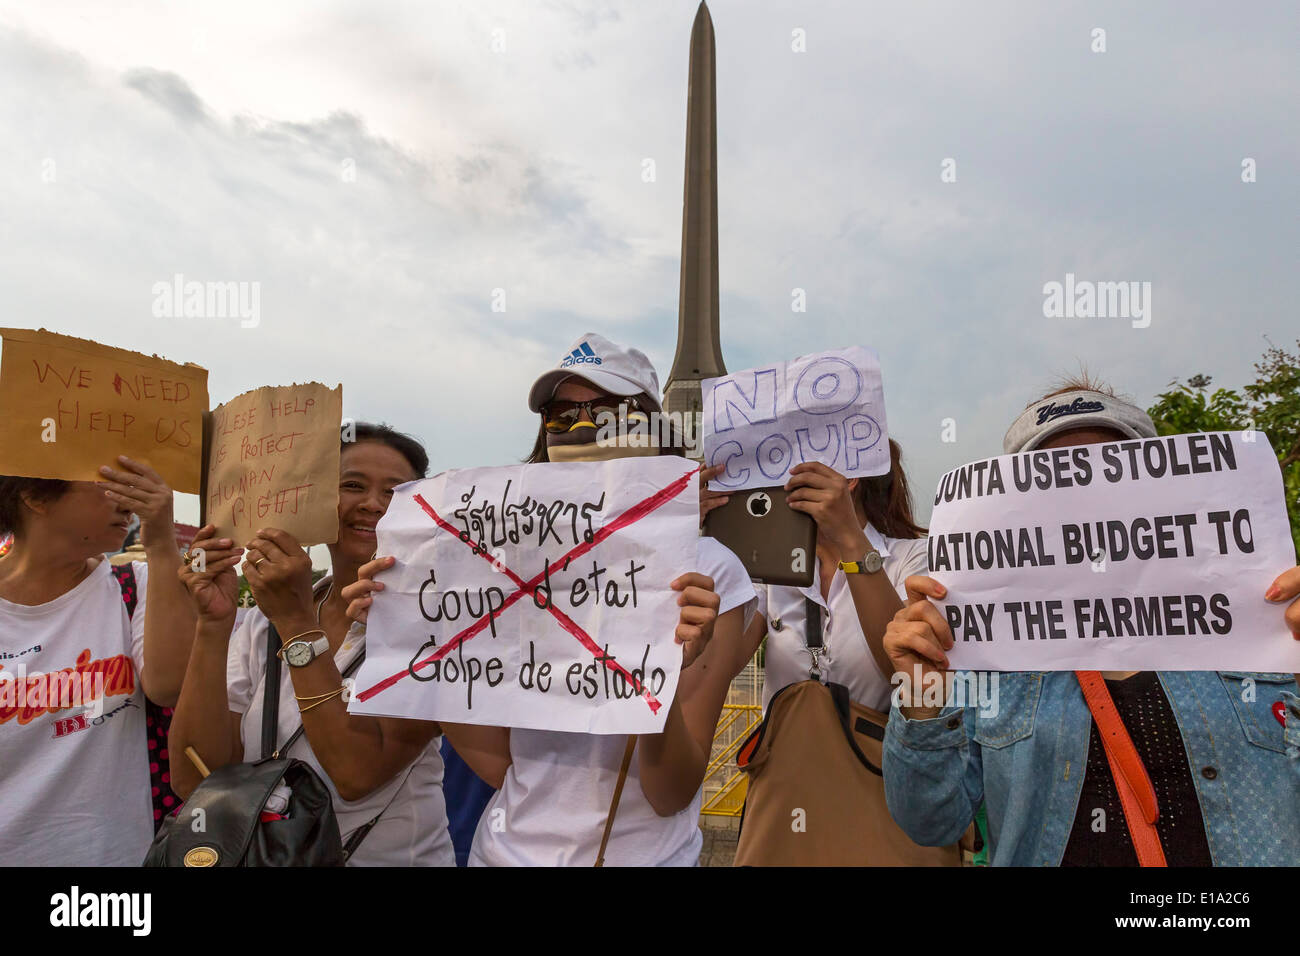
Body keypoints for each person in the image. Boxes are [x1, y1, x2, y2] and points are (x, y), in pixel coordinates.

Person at [345, 333, 758, 866]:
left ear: (652, 426)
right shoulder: (499, 564)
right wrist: (415, 640)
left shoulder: (707, 572)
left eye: (605, 411)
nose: (581, 428)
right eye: (560, 415)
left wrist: (658, 684)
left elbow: (670, 793)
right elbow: (506, 769)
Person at [882, 378, 1300, 866]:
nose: (1084, 493)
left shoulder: (1262, 627)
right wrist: (920, 698)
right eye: (1052, 474)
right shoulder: (980, 657)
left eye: (1111, 469)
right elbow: (929, 822)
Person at [168, 423, 455, 866]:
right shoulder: (262, 624)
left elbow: (356, 774)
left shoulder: (436, 621)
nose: (373, 504)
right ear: (314, 500)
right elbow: (192, 775)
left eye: (395, 493)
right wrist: (213, 622)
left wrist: (297, 621)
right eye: (352, 485)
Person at [0, 456, 195, 865]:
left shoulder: (137, 587)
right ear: (35, 494)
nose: (128, 500)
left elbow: (168, 684)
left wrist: (162, 543)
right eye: (109, 479)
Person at [700, 439, 928, 712]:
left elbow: (908, 678)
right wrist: (694, 539)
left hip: (874, 754)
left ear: (849, 478)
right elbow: (714, 666)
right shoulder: (772, 570)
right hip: (784, 754)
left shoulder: (913, 558)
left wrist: (850, 538)